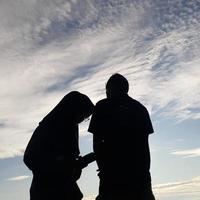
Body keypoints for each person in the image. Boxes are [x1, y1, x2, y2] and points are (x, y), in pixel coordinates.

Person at [88, 74, 156, 200]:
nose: (107, 93)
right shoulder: (140, 109)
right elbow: (144, 147)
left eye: (108, 90)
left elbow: (96, 142)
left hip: (112, 174)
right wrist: (145, 174)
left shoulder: (102, 106)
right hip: (137, 174)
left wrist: (103, 169)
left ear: (111, 88)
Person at [23, 91, 94, 200]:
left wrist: (76, 164)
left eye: (85, 118)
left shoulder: (68, 130)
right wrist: (59, 163)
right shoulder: (46, 129)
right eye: (83, 115)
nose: (81, 120)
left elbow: (69, 168)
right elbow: (29, 158)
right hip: (47, 192)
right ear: (73, 110)